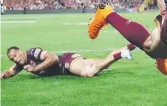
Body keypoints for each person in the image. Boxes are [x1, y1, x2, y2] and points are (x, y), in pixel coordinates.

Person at [1, 45, 133, 79]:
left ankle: (121, 53)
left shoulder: (32, 52)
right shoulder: (21, 64)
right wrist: (2, 75)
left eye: (15, 55)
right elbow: (10, 71)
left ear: (20, 51)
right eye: (12, 59)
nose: (15, 59)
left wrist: (36, 68)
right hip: (69, 64)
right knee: (105, 63)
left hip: (66, 62)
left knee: (89, 73)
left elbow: (53, 58)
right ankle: (129, 47)